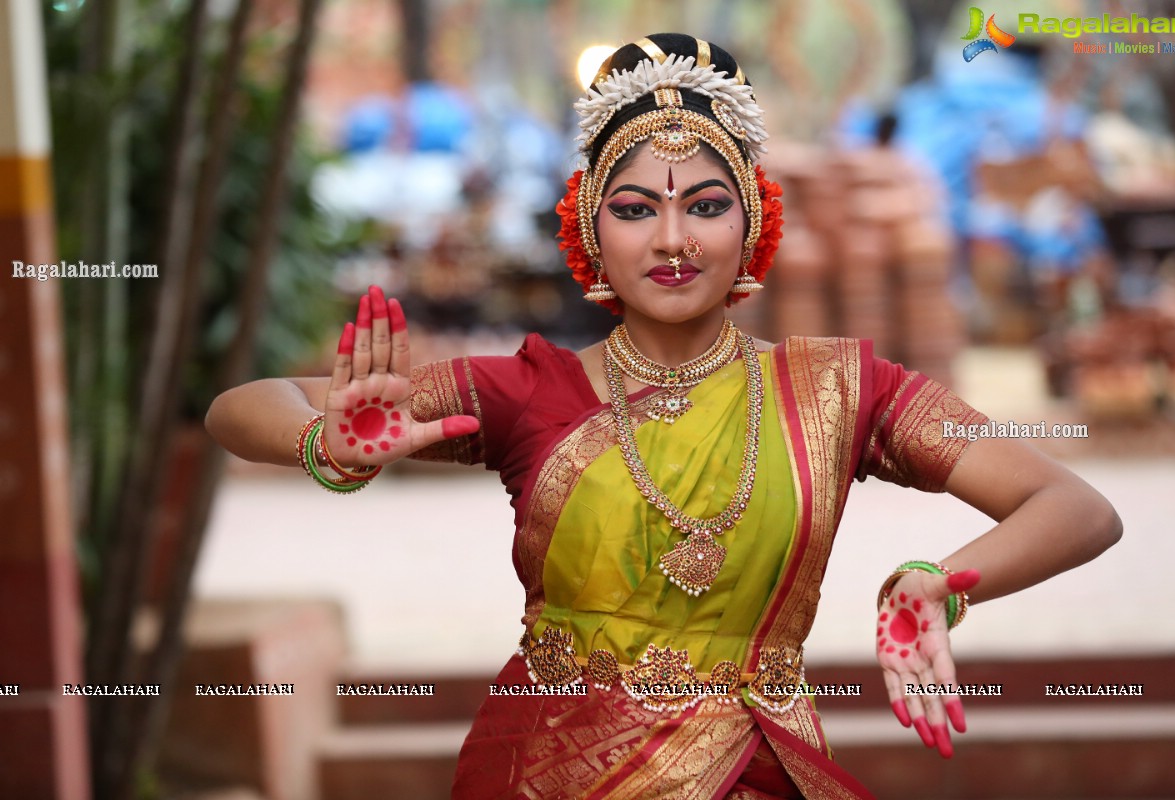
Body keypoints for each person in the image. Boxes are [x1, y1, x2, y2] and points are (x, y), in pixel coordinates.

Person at [206, 33, 1122, 800]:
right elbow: (238, 407)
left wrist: (938, 580)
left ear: (752, 223)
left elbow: (1077, 510)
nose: (674, 240)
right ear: (589, 230)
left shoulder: (843, 390)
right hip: (543, 771)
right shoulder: (529, 388)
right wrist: (319, 443)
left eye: (707, 206)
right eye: (637, 209)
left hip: (756, 770)